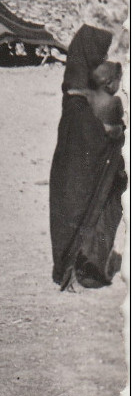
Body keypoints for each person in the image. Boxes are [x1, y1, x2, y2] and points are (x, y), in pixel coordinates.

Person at [50, 25, 126, 291]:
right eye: (100, 55)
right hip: (78, 166)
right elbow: (90, 135)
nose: (102, 60)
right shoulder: (78, 94)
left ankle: (79, 268)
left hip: (76, 164)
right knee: (78, 211)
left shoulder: (79, 83)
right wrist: (112, 133)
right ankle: (74, 272)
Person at [66, 60, 125, 139]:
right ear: (109, 83)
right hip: (108, 136)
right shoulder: (116, 100)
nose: (119, 85)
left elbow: (73, 92)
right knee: (119, 128)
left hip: (92, 135)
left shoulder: (90, 95)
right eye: (118, 81)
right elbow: (121, 115)